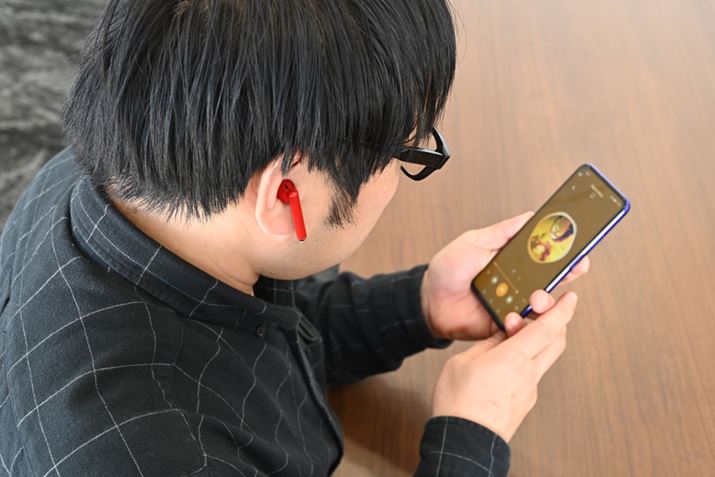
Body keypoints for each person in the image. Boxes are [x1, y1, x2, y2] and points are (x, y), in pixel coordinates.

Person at [0, 1, 588, 475]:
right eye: (406, 154)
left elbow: (260, 333)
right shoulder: (152, 456)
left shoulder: (107, 180)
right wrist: (470, 437)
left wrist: (418, 304)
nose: (401, 176)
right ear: (286, 196)